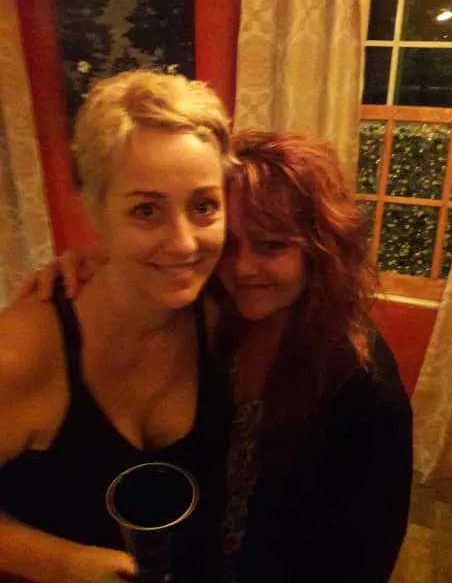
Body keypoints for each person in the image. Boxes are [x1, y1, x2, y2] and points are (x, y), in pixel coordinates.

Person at [25, 127, 413, 582]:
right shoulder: (209, 316)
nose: (243, 268)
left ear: (321, 249)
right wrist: (92, 262)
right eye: (229, 244)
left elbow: (366, 561)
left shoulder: (364, 388)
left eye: (272, 245)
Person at [0, 70, 233, 583]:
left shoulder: (219, 313)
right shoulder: (20, 353)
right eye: (146, 210)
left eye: (203, 206)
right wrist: (65, 564)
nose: (184, 243)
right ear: (95, 211)